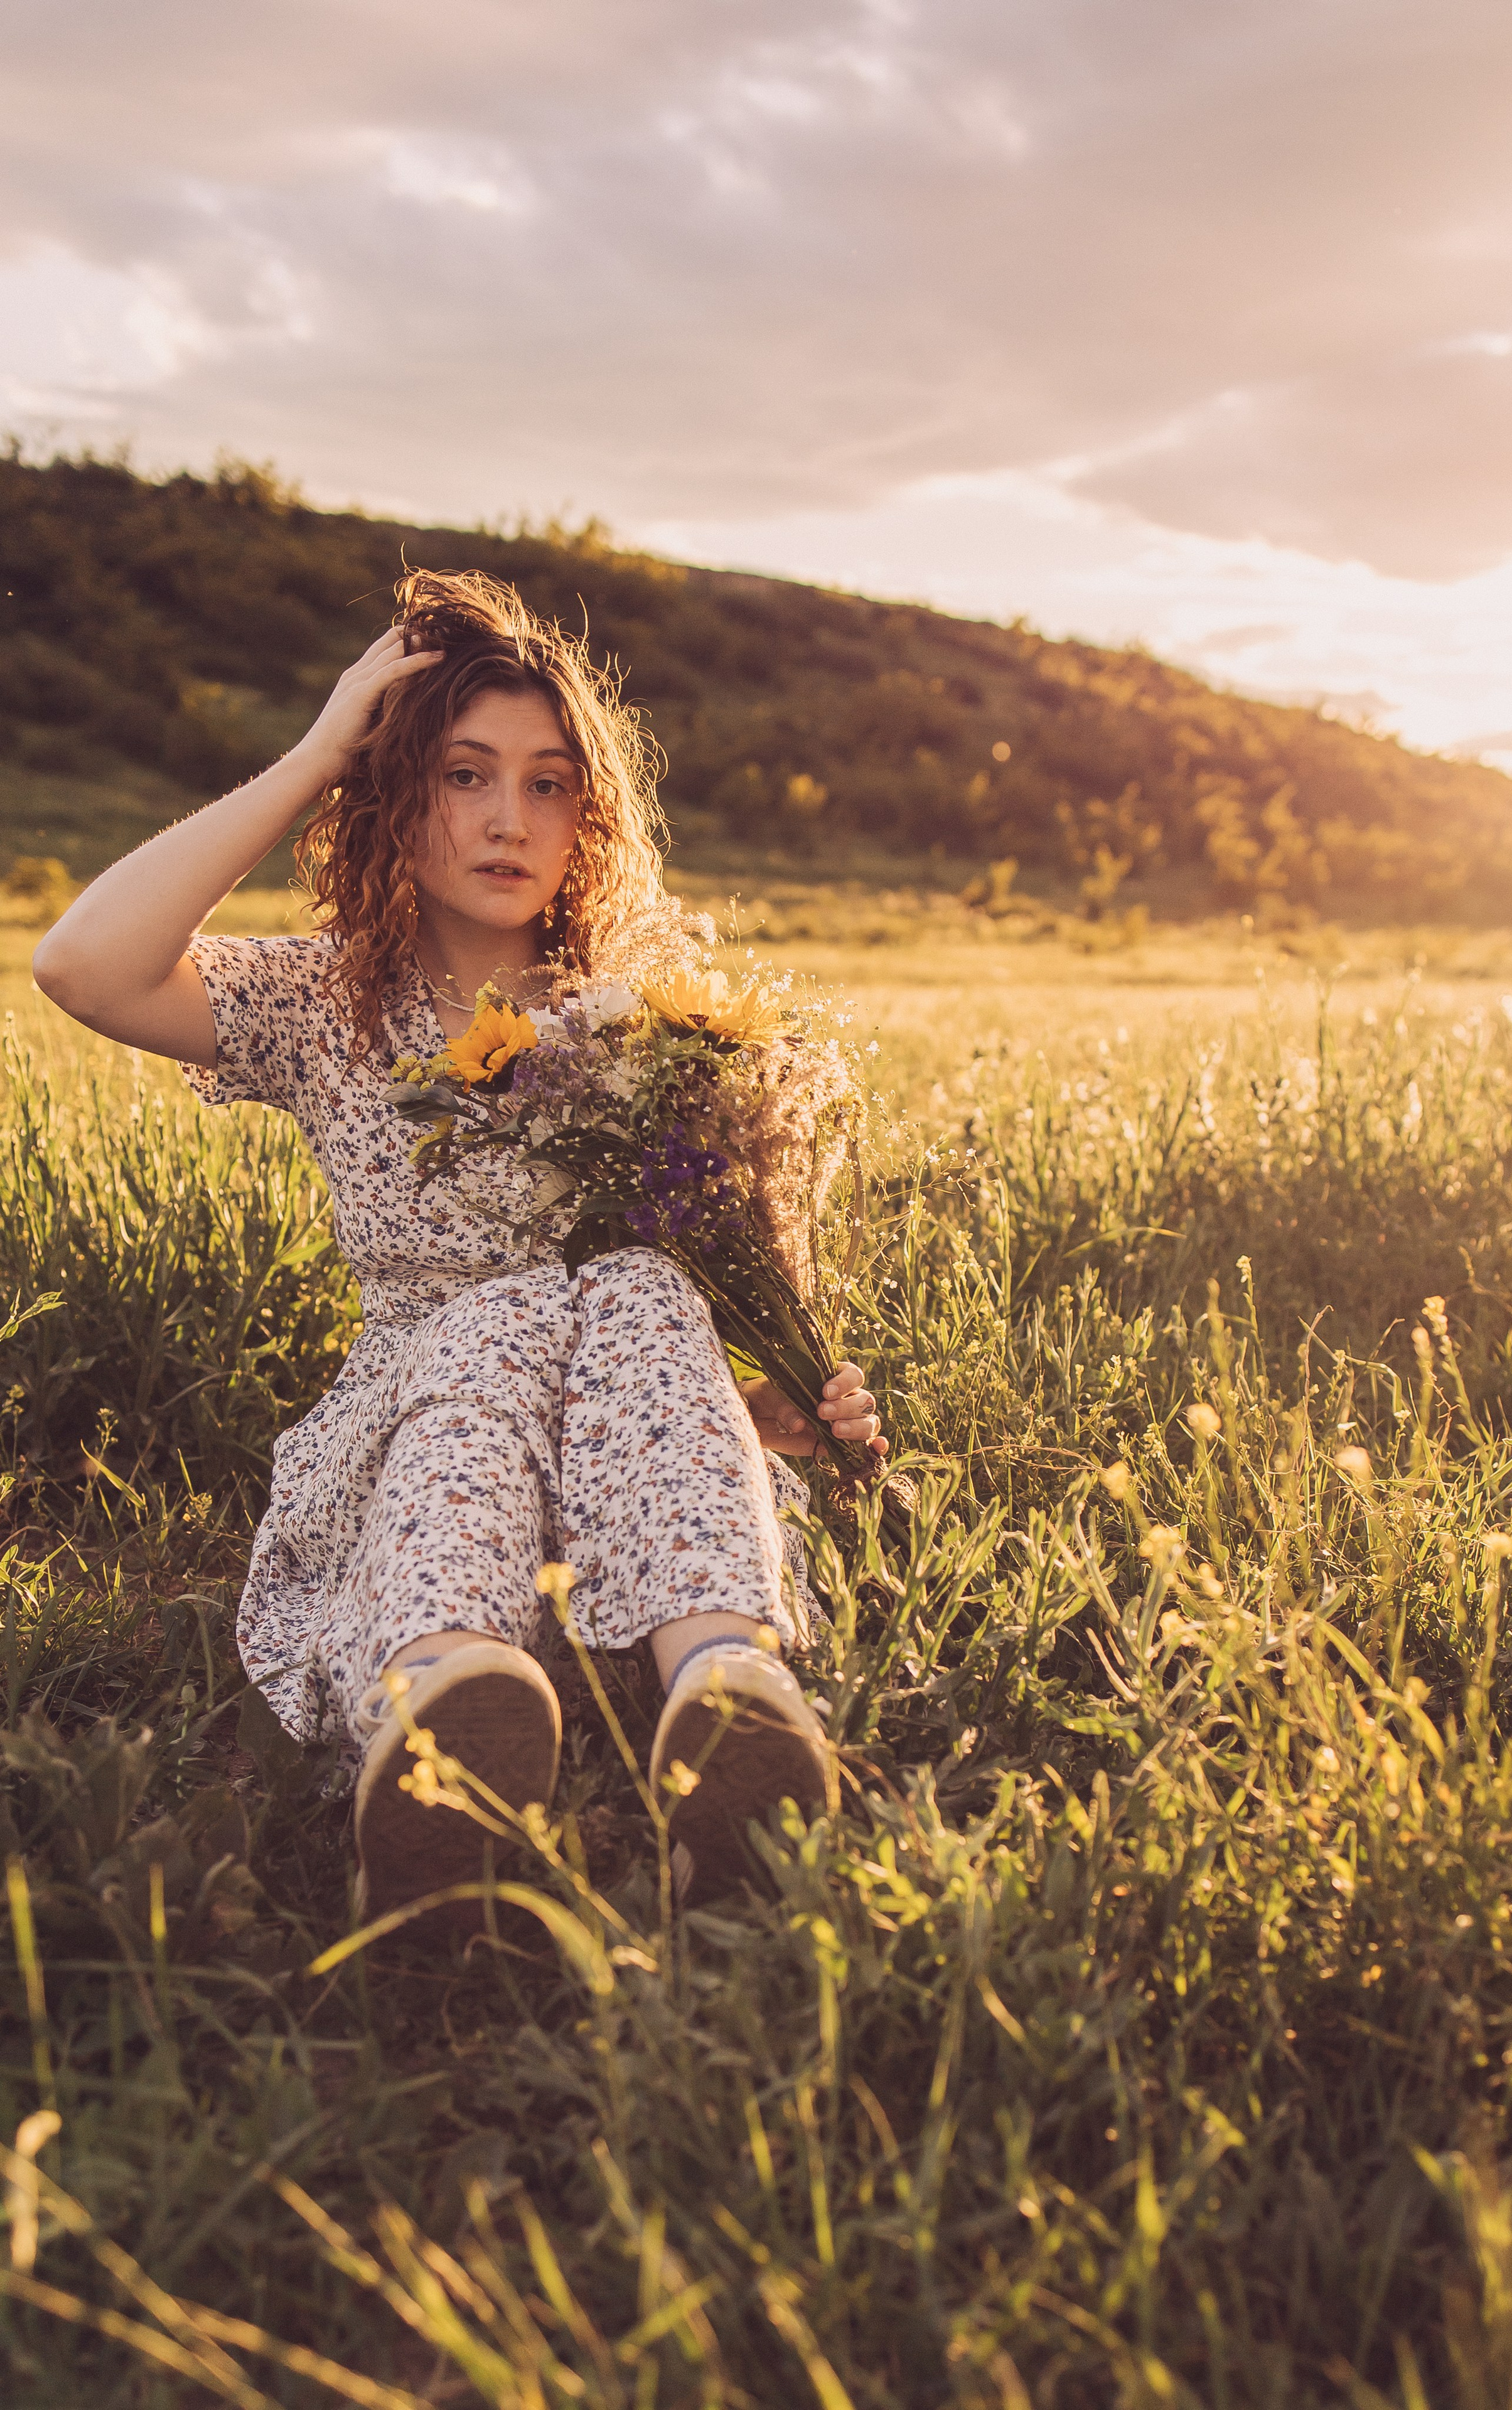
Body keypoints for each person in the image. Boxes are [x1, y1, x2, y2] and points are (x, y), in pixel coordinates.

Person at [33, 569, 886, 1920]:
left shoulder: (652, 1029)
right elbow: (86, 967)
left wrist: (784, 1404)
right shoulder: (325, 1000)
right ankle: (447, 1703)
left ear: (586, 814)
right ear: (390, 795)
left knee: (636, 1288)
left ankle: (730, 1693)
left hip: (649, 1502)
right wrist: (317, 753)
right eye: (462, 774)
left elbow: (733, 1303)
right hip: (431, 1451)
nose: (508, 819)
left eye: (548, 785)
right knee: (490, 1317)